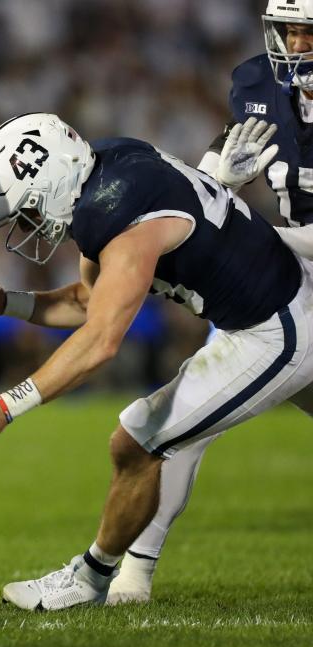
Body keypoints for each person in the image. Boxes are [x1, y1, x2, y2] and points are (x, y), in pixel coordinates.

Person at [0, 112, 313, 611]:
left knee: (137, 438)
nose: (30, 228)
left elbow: (101, 338)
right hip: (277, 308)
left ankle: (89, 578)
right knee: (141, 439)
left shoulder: (116, 213)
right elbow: (87, 300)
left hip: (277, 330)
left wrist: (8, 405)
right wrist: (6, 303)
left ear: (54, 184)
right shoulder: (109, 163)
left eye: (29, 213)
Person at [109, 0, 313, 604]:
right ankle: (134, 573)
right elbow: (211, 174)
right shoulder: (254, 82)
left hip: (287, 258)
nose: (297, 46)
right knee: (183, 422)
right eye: (289, 31)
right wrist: (218, 179)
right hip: (283, 281)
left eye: (309, 32)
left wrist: (253, 233)